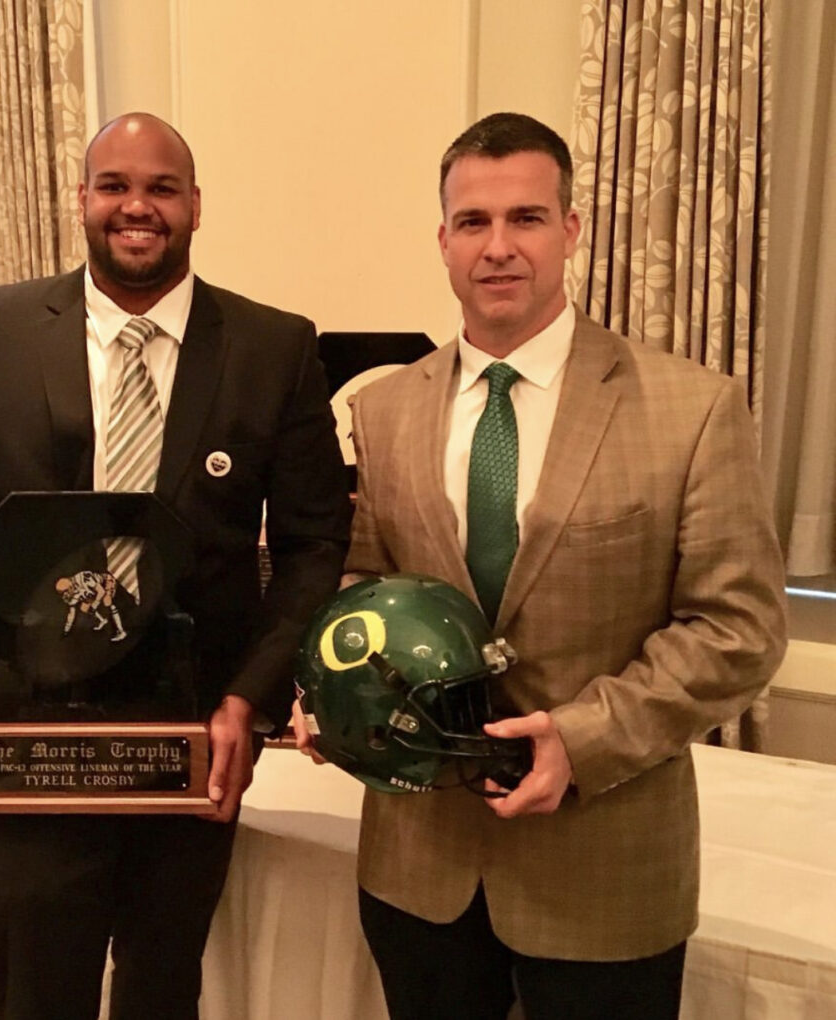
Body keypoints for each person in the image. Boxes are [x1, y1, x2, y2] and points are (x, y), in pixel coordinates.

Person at [293, 112, 787, 1019]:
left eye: (526, 218)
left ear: (571, 230)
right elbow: (366, 585)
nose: (499, 248)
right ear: (443, 240)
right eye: (473, 223)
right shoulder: (386, 409)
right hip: (420, 865)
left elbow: (740, 629)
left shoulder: (694, 407)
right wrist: (334, 688)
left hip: (604, 869)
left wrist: (582, 737)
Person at [0, 112, 350, 1019]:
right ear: (84, 199)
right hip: (24, 744)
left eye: (162, 188)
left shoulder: (276, 348)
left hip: (188, 748)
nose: (138, 207)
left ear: (196, 206)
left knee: (161, 989)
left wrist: (248, 701)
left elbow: (312, 546)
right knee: (34, 993)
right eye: (116, 186)